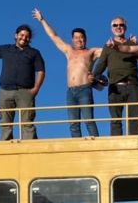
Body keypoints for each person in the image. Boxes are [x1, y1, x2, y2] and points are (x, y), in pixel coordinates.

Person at [32, 9, 103, 138]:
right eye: (76, 37)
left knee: (89, 120)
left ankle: (96, 144)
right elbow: (54, 36)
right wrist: (42, 20)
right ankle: (77, 147)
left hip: (84, 89)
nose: (79, 40)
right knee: (73, 123)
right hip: (71, 91)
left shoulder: (91, 52)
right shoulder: (68, 50)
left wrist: (126, 44)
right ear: (72, 39)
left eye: (81, 37)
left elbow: (109, 52)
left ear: (85, 39)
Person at [92, 17, 138, 136]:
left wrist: (137, 46)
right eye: (115, 25)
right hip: (115, 88)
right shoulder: (107, 47)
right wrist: (92, 77)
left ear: (125, 27)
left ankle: (135, 148)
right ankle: (116, 149)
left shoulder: (132, 44)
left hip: (132, 86)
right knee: (115, 120)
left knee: (134, 120)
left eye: (121, 25)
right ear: (111, 28)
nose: (118, 27)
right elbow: (100, 65)